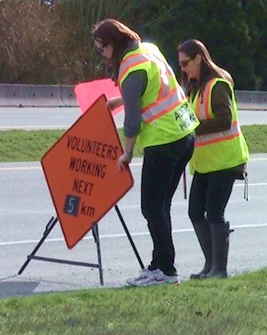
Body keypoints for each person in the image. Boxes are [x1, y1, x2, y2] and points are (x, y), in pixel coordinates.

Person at [92, 19, 199, 286]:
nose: (102, 55)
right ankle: (160, 264)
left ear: (113, 44)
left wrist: (127, 152)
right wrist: (123, 98)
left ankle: (165, 270)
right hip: (185, 133)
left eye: (101, 49)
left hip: (164, 141)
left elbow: (132, 122)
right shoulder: (148, 50)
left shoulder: (129, 69)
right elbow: (154, 89)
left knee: (151, 207)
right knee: (160, 207)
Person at [177, 39, 249, 279]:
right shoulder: (196, 88)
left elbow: (224, 120)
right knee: (196, 211)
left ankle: (219, 270)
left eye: (185, 63)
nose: (183, 69)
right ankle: (210, 266)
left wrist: (192, 127)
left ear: (199, 58)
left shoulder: (217, 85)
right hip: (206, 163)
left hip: (225, 161)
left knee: (214, 212)